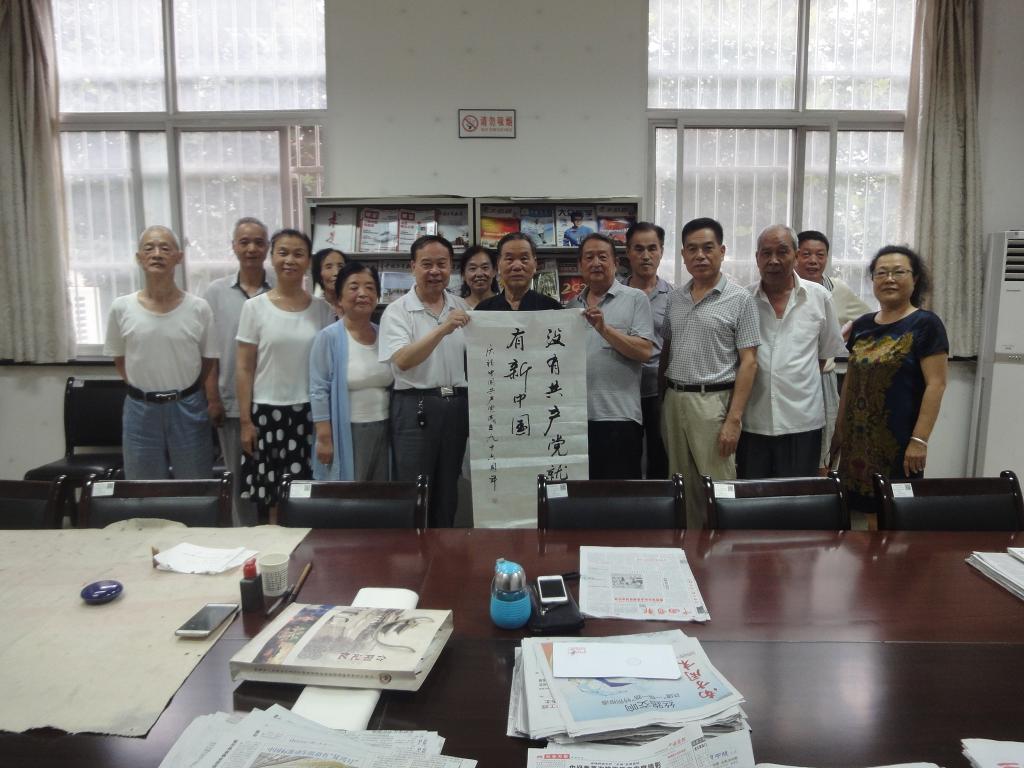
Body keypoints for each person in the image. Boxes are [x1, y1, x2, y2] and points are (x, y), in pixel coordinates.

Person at [658, 217, 760, 528]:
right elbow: (667, 349)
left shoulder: (740, 299)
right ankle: (689, 548)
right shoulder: (675, 298)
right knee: (680, 484)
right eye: (692, 249)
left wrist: (734, 419)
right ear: (683, 255)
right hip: (675, 400)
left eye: (707, 248)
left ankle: (723, 550)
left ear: (722, 251)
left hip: (713, 403)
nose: (700, 256)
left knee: (718, 486)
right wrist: (663, 399)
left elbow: (749, 362)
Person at [832, 245, 949, 514]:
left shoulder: (926, 324)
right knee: (854, 513)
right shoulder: (862, 325)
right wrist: (838, 431)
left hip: (898, 442)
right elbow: (851, 379)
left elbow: (936, 385)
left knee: (893, 515)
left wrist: (920, 441)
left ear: (915, 278)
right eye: (881, 273)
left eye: (899, 272)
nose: (889, 279)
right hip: (856, 441)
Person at [104, 225, 217, 479]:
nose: (157, 254)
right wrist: (144, 389)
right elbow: (120, 359)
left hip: (187, 406)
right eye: (149, 248)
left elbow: (208, 360)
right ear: (139, 258)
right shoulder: (121, 308)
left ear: (178, 257)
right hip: (140, 409)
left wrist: (187, 391)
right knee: (143, 489)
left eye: (165, 248)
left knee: (195, 485)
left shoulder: (199, 308)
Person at [236, 229, 333, 517]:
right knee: (270, 502)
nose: (290, 260)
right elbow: (244, 367)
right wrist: (245, 422)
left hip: (310, 415)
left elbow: (327, 369)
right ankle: (272, 546)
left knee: (307, 497)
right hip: (266, 414)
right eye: (283, 252)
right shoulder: (254, 308)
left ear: (308, 262)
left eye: (298, 254)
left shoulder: (322, 310)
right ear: (272, 257)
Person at [738, 224, 845, 479]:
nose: (774, 260)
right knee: (753, 494)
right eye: (766, 253)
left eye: (782, 252)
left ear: (795, 256)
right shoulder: (743, 300)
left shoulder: (819, 298)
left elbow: (824, 356)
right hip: (753, 421)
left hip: (802, 421)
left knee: (798, 495)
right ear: (757, 258)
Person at [379, 235, 470, 527]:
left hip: (456, 405)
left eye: (442, 264)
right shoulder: (397, 310)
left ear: (451, 267)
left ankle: (444, 548)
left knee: (448, 487)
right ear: (413, 267)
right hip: (414, 406)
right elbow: (403, 359)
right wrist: (443, 329)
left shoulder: (461, 306)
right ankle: (414, 551)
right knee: (415, 488)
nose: (435, 271)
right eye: (427, 264)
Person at [204, 217, 273, 524]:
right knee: (238, 481)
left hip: (273, 402)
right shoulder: (215, 293)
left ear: (267, 247)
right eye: (244, 242)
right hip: (231, 401)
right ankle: (244, 537)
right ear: (233, 247)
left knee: (273, 478)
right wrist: (212, 398)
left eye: (258, 242)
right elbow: (210, 351)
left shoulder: (281, 289)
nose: (251, 249)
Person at [570, 233, 653, 480]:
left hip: (620, 417)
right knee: (581, 494)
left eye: (602, 257)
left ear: (615, 263)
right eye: (589, 257)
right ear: (580, 265)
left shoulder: (636, 298)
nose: (596, 263)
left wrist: (604, 330)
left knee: (620, 495)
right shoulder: (570, 307)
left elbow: (644, 351)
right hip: (576, 420)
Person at [796, 230, 872, 474]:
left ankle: (821, 491)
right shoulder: (782, 289)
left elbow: (870, 319)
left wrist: (844, 332)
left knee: (824, 448)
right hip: (789, 379)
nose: (813, 260)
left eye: (820, 255)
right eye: (806, 254)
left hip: (822, 379)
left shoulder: (836, 289)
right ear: (795, 256)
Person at [309, 261, 393, 482]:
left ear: (377, 296)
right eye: (354, 287)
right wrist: (324, 437)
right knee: (351, 492)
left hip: (385, 427)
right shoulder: (329, 337)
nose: (363, 293)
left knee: (380, 492)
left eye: (370, 287)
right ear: (339, 298)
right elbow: (318, 390)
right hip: (348, 430)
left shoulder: (385, 335)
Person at [622, 222, 673, 478]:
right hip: (621, 391)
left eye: (652, 248)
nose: (645, 256)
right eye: (638, 249)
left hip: (658, 393)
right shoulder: (616, 294)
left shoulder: (674, 297)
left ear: (661, 251)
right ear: (628, 252)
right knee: (625, 459)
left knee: (660, 457)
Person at [476, 232, 563, 311]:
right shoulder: (483, 310)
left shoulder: (553, 308)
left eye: (524, 259)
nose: (517, 266)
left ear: (535, 264)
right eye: (509, 259)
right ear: (498, 264)